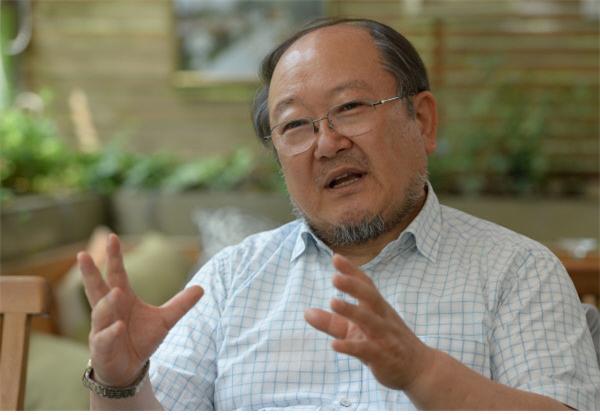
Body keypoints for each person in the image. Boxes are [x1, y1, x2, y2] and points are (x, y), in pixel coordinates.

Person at [77, 18, 600, 410]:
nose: (327, 143)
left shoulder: (518, 271)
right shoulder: (231, 279)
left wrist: (422, 373)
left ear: (422, 121)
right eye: (295, 126)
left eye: (349, 108)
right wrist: (121, 384)